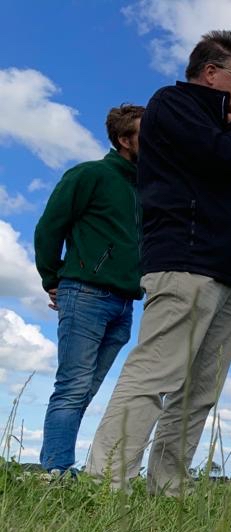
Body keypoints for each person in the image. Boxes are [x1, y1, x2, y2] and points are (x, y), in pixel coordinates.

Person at [86, 30, 231, 495]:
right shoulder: (175, 103)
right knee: (155, 374)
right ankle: (105, 486)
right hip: (188, 264)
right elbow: (220, 158)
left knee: (200, 391)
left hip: (229, 277)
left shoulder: (216, 124)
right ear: (211, 72)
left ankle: (168, 488)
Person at [34, 104, 145, 475]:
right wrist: (52, 278)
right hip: (85, 294)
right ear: (124, 140)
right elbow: (49, 227)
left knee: (86, 390)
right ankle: (57, 472)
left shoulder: (145, 189)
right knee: (72, 386)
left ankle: (59, 467)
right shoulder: (90, 174)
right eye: (147, 134)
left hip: (125, 304)